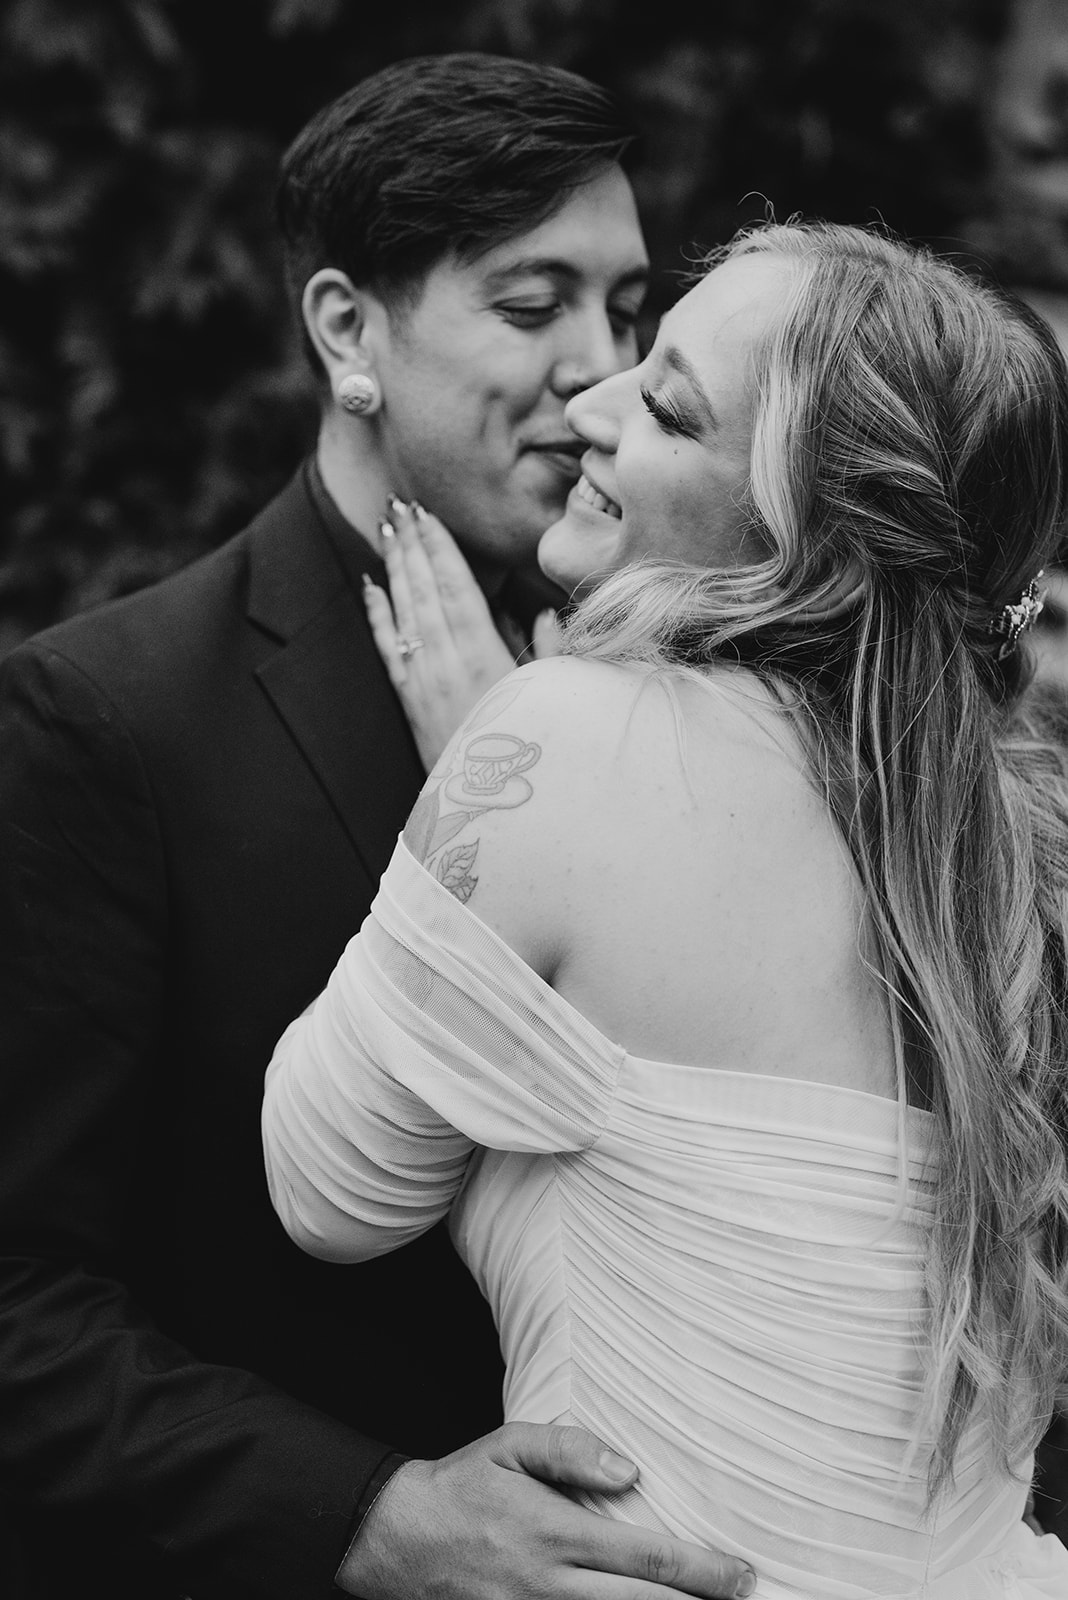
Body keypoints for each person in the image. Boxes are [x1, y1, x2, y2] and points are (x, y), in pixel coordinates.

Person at [0, 50, 758, 1600]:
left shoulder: (707, 695)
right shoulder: (106, 719)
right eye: (532, 304)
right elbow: (19, 1298)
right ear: (349, 330)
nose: (598, 372)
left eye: (625, 314)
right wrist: (363, 1516)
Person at [262, 219, 1068, 1597]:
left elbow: (329, 1194)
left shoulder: (562, 742)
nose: (588, 404)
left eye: (666, 405)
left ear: (796, 532)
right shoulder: (1015, 847)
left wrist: (484, 768)